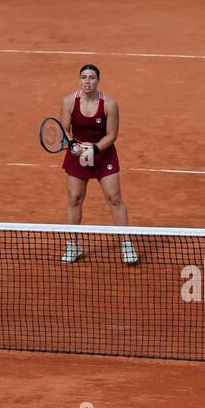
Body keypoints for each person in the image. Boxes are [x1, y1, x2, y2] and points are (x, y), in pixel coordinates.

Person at [59, 64, 137, 265]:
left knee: (114, 198)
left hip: (103, 155)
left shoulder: (109, 104)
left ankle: (127, 244)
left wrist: (93, 149)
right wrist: (74, 146)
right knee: (74, 198)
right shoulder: (68, 101)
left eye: (92, 77)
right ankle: (72, 245)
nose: (87, 81)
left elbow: (112, 135)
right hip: (77, 156)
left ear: (98, 81)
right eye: (84, 77)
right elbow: (65, 130)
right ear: (79, 79)